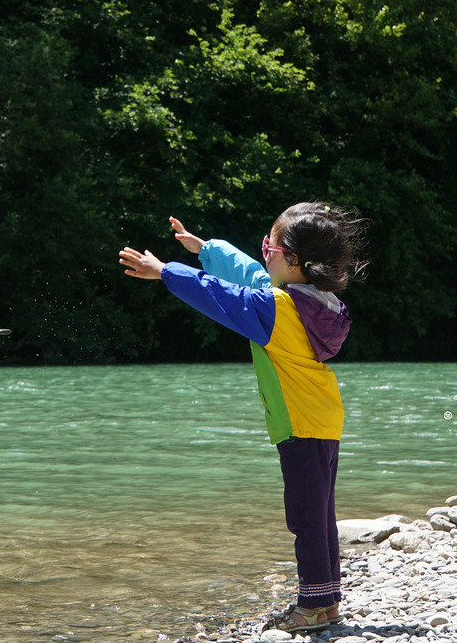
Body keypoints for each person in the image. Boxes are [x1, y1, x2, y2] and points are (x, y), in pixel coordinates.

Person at [118, 202, 369, 634]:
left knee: (306, 518)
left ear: (291, 259)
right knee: (320, 513)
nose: (263, 251)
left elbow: (221, 297)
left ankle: (311, 606)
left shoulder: (275, 308)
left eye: (268, 245)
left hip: (299, 424)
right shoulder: (312, 301)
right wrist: (207, 250)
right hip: (324, 418)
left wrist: (165, 271)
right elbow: (250, 275)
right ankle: (327, 602)